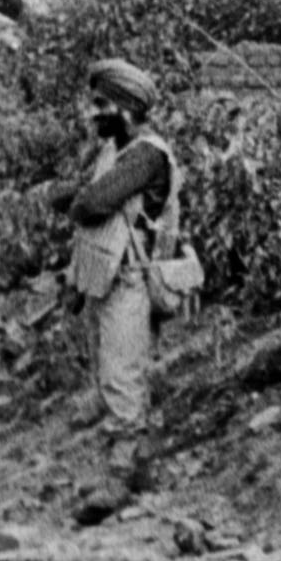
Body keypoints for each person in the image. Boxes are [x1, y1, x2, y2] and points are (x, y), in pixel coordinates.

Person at [63, 57, 178, 458]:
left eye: (101, 104)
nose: (93, 113)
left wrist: (72, 201)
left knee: (121, 373)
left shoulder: (146, 156)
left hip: (130, 279)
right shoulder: (115, 151)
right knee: (108, 370)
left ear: (126, 108)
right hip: (104, 277)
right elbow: (88, 201)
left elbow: (92, 203)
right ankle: (135, 461)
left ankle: (126, 467)